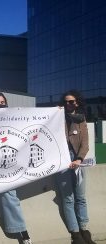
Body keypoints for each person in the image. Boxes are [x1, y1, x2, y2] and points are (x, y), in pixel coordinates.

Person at [0, 92, 32, 244]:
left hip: (9, 162)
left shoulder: (13, 118)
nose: (0, 105)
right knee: (8, 195)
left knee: (9, 194)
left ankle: (23, 232)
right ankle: (21, 232)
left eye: (2, 102)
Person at [56, 90, 96, 244]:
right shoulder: (57, 119)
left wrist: (79, 159)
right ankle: (75, 233)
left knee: (80, 197)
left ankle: (84, 229)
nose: (68, 104)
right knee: (68, 198)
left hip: (78, 161)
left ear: (77, 103)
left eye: (71, 101)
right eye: (66, 101)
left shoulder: (81, 119)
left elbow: (85, 142)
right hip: (62, 162)